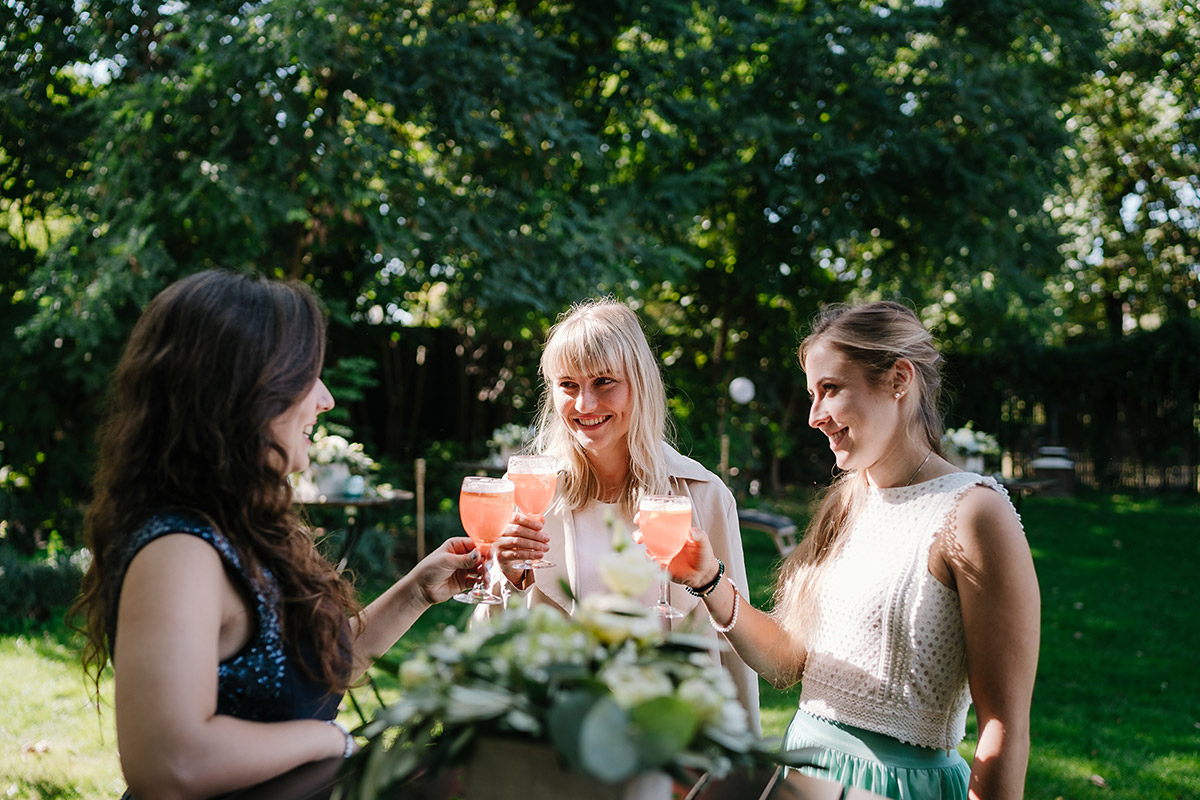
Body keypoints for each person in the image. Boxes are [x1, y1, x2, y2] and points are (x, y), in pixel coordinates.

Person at [74, 270, 482, 800]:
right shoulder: (178, 552)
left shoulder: (244, 525)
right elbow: (167, 764)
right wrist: (326, 740)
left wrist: (418, 591)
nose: (326, 398)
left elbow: (311, 668)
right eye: (308, 376)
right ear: (248, 389)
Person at [661, 301, 1040, 799]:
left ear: (899, 379)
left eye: (830, 390)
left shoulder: (973, 513)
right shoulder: (846, 504)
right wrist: (709, 579)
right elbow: (787, 663)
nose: (815, 416)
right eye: (811, 394)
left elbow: (1004, 728)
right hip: (803, 779)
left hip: (898, 787)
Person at [486, 297, 761, 733]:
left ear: (640, 385)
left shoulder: (703, 495)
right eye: (568, 385)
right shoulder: (531, 491)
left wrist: (744, 763)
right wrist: (512, 578)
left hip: (671, 736)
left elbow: (733, 640)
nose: (584, 405)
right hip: (560, 733)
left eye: (604, 381)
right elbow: (489, 636)